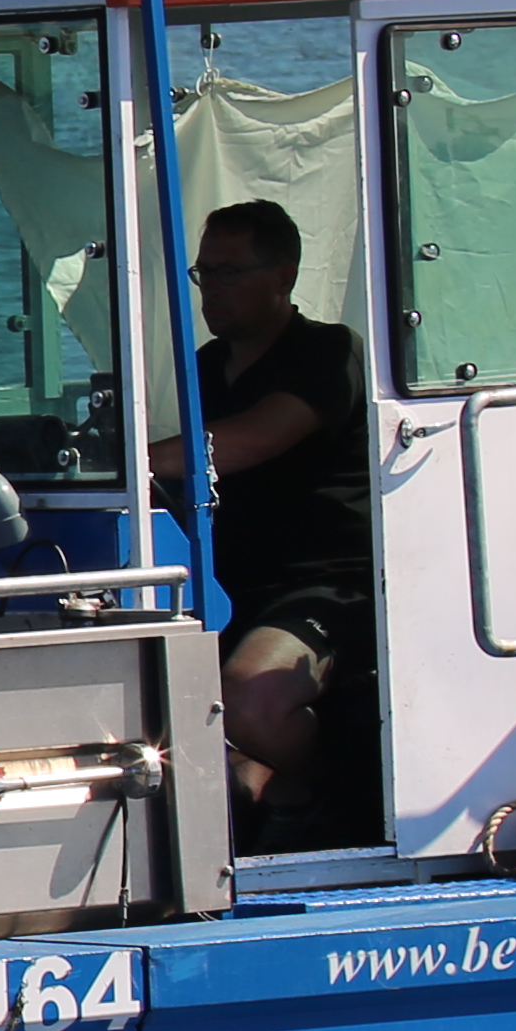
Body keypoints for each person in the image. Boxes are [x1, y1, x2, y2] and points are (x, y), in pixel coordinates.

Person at [167, 196, 369, 804]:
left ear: (284, 276)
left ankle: (346, 804)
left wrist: (120, 463)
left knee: (252, 698)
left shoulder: (329, 353)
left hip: (328, 588)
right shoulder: (202, 369)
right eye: (204, 273)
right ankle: (265, 793)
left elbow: (250, 439)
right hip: (224, 585)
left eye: (230, 272)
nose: (211, 290)